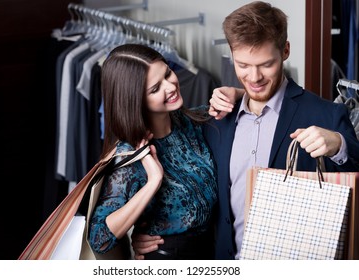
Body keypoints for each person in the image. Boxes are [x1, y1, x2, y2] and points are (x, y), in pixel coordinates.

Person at [131, 1, 359, 260]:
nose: (254, 77)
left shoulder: (326, 114)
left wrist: (340, 145)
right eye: (243, 65)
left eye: (265, 64)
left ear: (285, 51)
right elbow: (192, 191)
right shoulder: (215, 119)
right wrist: (149, 235)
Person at [88, 43, 224, 260]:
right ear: (135, 101)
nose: (170, 87)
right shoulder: (132, 155)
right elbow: (99, 237)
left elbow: (242, 107)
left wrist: (234, 93)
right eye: (155, 89)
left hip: (213, 251)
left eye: (168, 74)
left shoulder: (191, 123)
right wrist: (153, 181)